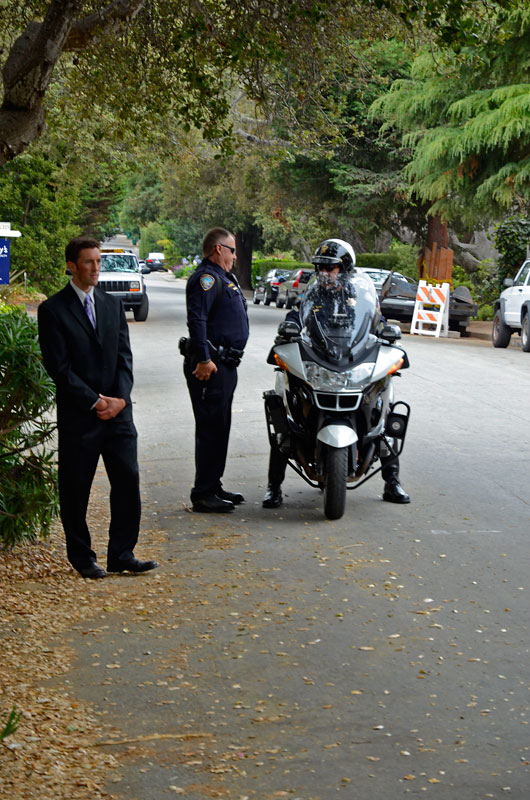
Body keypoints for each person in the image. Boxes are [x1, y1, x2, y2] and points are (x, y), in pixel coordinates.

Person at [38, 236, 158, 579]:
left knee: (127, 480)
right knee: (75, 488)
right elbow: (59, 368)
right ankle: (82, 557)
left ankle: (122, 553)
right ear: (72, 266)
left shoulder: (111, 303)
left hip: (119, 412)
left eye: (98, 261)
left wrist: (119, 398)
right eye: (88, 262)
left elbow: (124, 357)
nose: (95, 268)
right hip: (81, 415)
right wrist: (94, 401)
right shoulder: (53, 310)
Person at [262, 237, 410, 509]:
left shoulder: (360, 294)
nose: (325, 274)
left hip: (352, 360)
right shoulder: (313, 293)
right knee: (286, 423)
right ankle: (274, 487)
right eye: (321, 268)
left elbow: (376, 318)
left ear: (345, 268)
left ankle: (392, 482)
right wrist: (289, 327)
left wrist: (386, 332)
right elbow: (298, 313)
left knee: (383, 418)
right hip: (319, 360)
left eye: (331, 268)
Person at [183, 227, 249, 512]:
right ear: (218, 249)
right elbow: (197, 320)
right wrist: (203, 358)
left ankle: (213, 484)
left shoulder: (223, 277)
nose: (235, 256)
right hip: (210, 365)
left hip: (225, 364)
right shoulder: (207, 278)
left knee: (220, 427)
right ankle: (202, 493)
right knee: (210, 428)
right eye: (232, 250)